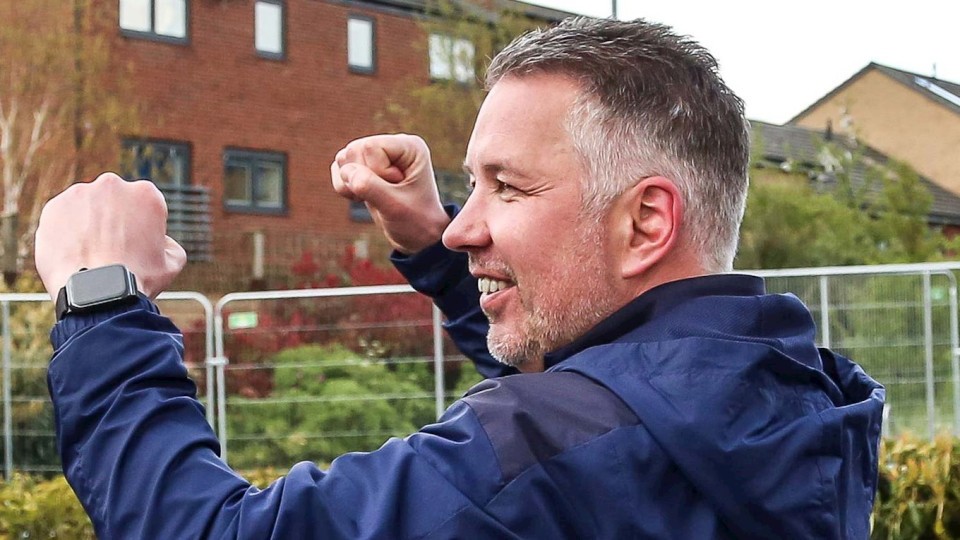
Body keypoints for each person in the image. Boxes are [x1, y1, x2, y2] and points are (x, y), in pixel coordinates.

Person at [36, 17, 883, 539]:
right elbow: (611, 402)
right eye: (468, 187)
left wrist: (101, 302)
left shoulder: (539, 457)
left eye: (506, 187)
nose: (461, 224)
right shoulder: (787, 400)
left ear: (646, 223)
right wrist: (441, 257)